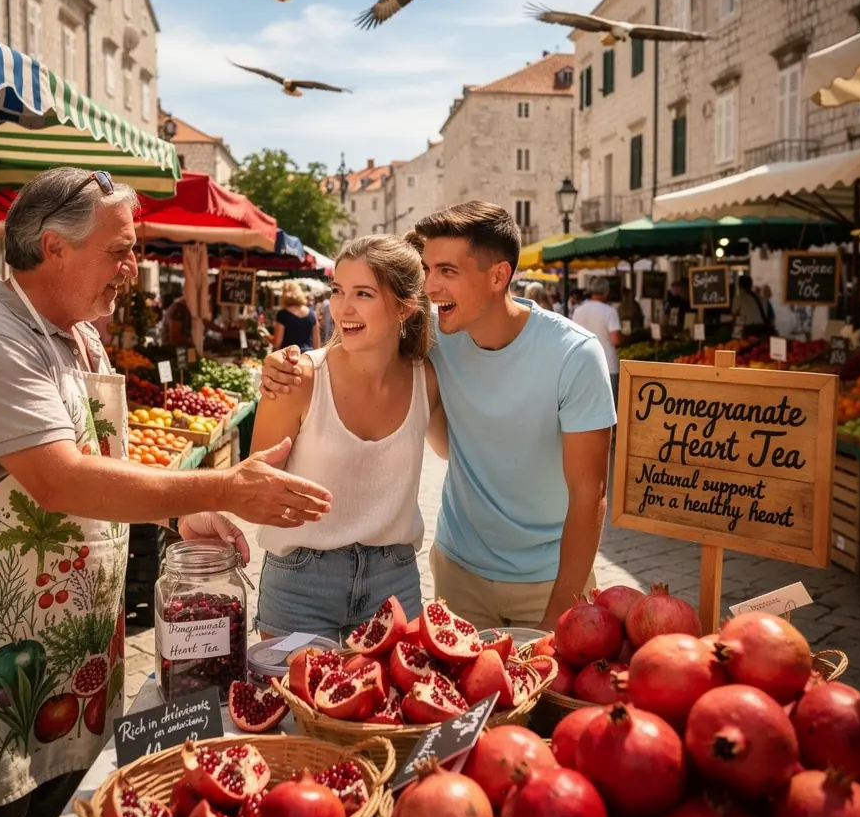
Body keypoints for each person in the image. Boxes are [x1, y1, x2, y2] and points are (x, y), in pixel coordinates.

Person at [0, 167, 331, 817]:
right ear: (53, 248)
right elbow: (59, 478)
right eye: (119, 250)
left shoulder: (77, 336)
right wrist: (223, 488)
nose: (132, 266)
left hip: (63, 634)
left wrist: (180, 517)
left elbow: (99, 458)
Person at [263, 201, 616, 631]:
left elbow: (589, 492)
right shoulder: (436, 333)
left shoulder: (575, 355)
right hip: (457, 571)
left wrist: (559, 610)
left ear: (498, 276)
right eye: (428, 269)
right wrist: (289, 365)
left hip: (550, 577)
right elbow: (369, 333)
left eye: (447, 271)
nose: (430, 286)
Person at [205, 235, 446, 641]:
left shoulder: (428, 381)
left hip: (395, 579)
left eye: (363, 293)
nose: (342, 308)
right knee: (296, 687)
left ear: (404, 307)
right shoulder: (298, 379)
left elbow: (457, 450)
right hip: (302, 581)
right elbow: (255, 486)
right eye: (337, 290)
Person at [572, 278, 623, 401]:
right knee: (609, 407)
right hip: (607, 365)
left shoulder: (578, 311)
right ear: (606, 291)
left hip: (583, 365)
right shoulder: (610, 311)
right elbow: (616, 340)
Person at [273, 279, 320, 352]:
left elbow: (277, 343)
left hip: (288, 355)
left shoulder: (283, 314)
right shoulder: (312, 314)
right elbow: (316, 344)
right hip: (306, 355)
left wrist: (267, 336)